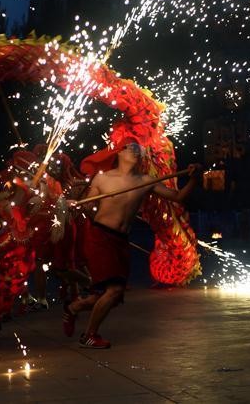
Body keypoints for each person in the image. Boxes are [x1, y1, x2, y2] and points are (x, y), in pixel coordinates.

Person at [63, 137, 202, 348]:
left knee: (110, 296)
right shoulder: (102, 180)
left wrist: (194, 178)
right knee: (114, 290)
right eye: (131, 148)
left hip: (121, 240)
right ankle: (89, 335)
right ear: (119, 152)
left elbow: (178, 196)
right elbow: (88, 208)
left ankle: (73, 308)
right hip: (99, 237)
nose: (136, 152)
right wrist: (74, 205)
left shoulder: (145, 181)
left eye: (139, 148)